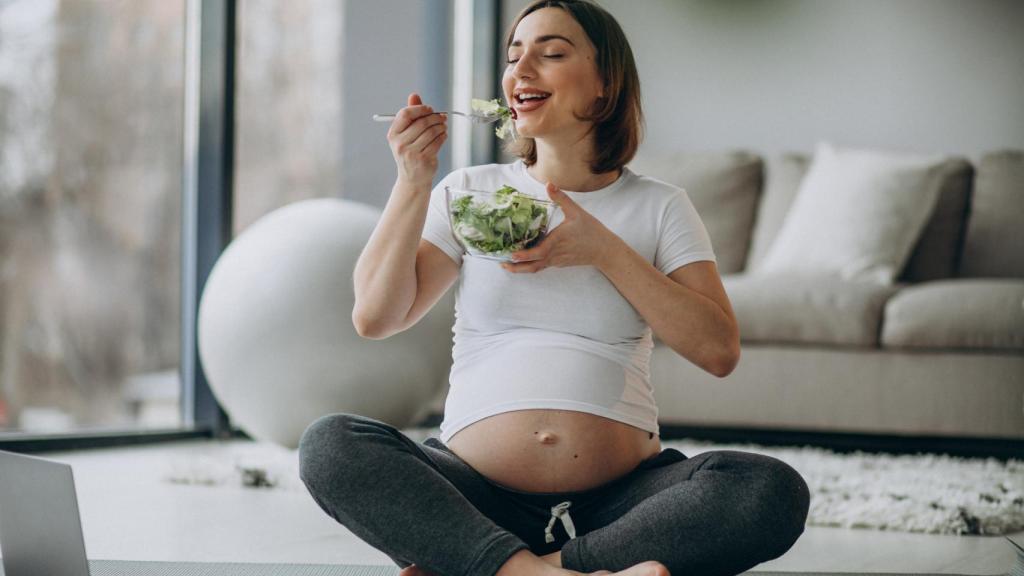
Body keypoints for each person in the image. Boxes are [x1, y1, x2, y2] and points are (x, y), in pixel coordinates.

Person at [298, 1, 810, 575]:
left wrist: (603, 249)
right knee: (331, 443)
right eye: (514, 56)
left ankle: (497, 566)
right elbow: (375, 316)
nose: (521, 70)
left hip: (620, 505)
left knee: (769, 489)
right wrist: (414, 183)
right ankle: (544, 572)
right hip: (475, 497)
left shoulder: (660, 206)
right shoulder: (473, 193)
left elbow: (718, 351)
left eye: (552, 53)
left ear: (604, 86)